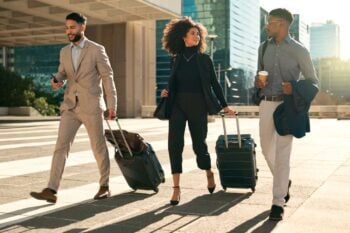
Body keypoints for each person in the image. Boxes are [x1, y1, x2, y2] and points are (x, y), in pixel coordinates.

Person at [30, 12, 117, 203]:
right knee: (60, 147)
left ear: (82, 27)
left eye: (72, 27)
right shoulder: (64, 51)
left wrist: (112, 106)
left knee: (98, 146)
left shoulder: (96, 50)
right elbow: (63, 73)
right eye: (67, 28)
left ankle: (104, 186)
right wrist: (57, 80)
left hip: (91, 106)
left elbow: (107, 77)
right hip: (70, 106)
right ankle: (51, 189)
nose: (69, 31)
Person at [160, 17, 235, 206]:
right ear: (183, 36)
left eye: (198, 33)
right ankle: (176, 188)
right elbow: (173, 83)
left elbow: (215, 84)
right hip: (177, 104)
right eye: (193, 33)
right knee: (174, 144)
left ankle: (208, 171)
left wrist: (224, 105)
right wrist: (166, 91)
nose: (197, 36)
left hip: (197, 104)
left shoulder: (204, 59)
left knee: (198, 144)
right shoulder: (175, 60)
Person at [255, 8, 318, 221]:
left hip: (288, 106)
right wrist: (257, 82)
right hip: (266, 103)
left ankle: (278, 202)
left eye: (269, 22)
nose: (267, 25)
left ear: (281, 24)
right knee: (265, 148)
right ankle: (284, 181)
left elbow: (313, 82)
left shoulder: (300, 50)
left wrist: (294, 87)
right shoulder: (263, 47)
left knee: (283, 153)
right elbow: (258, 75)